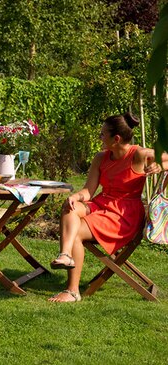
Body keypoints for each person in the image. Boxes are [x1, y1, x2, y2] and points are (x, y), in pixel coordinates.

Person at [48, 112, 164, 303]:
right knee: (70, 207)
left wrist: (160, 166)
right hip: (102, 204)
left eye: (102, 134)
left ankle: (72, 291)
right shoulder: (101, 157)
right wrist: (76, 197)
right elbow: (88, 190)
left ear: (116, 139)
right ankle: (65, 255)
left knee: (76, 232)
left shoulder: (139, 154)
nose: (100, 137)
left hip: (124, 216)